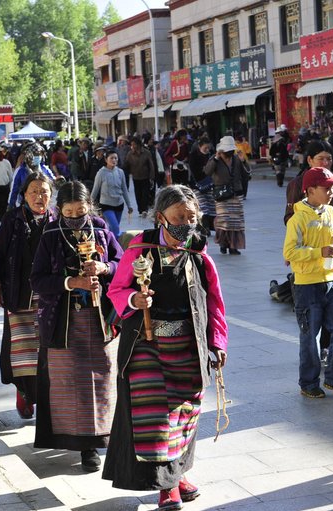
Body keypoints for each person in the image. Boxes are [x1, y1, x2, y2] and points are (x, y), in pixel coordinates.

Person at [103, 184, 228, 510]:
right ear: (161, 218)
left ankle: (177, 474)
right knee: (156, 420)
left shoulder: (199, 256)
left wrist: (217, 341)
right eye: (178, 217)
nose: (185, 223)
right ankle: (166, 489)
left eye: (191, 217)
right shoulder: (139, 250)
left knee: (183, 418)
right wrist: (134, 298)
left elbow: (214, 304)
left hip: (187, 348)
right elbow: (116, 291)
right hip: (147, 348)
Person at [29, 181, 122, 472]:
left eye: (80, 211)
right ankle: (84, 447)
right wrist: (71, 282)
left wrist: (105, 268)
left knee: (103, 378)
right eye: (68, 211)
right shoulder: (52, 233)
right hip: (63, 322)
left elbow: (122, 262)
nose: (75, 216)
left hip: (100, 319)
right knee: (72, 383)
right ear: (59, 210)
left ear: (89, 207)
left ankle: (104, 437)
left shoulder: (101, 228)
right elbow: (38, 279)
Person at [0, 173, 56, 421]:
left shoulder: (57, 219)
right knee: (22, 351)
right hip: (19, 294)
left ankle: (48, 398)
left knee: (48, 349)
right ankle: (24, 393)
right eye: (33, 191)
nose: (39, 196)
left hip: (50, 296)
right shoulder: (13, 219)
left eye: (44, 191)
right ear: (24, 195)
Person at [283, 167, 333, 398]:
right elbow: (290, 251)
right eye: (327, 188)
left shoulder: (332, 213)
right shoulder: (297, 218)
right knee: (310, 336)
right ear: (310, 190)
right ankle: (309, 383)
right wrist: (318, 252)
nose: (331, 192)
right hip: (306, 285)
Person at [203, 135, 246, 255]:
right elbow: (207, 171)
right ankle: (223, 244)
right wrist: (216, 158)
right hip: (221, 194)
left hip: (236, 193)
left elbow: (246, 174)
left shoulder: (236, 158)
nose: (229, 153)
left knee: (236, 222)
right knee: (223, 221)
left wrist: (244, 162)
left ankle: (233, 246)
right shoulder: (215, 159)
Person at [91, 149, 133, 238]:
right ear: (106, 160)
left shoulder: (120, 172)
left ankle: (109, 243)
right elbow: (95, 190)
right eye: (111, 158)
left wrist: (129, 205)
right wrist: (89, 204)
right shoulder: (101, 173)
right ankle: (116, 249)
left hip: (119, 204)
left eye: (116, 158)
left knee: (113, 229)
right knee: (115, 227)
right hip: (106, 205)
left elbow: (124, 189)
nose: (114, 160)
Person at [8, 142, 56, 209]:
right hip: (25, 204)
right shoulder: (21, 171)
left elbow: (54, 180)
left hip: (42, 202)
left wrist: (58, 181)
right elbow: (14, 190)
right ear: (29, 156)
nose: (38, 157)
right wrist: (11, 205)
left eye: (39, 155)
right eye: (35, 155)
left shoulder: (44, 168)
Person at [123, 137, 155, 217]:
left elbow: (151, 165)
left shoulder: (146, 152)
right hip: (135, 177)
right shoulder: (130, 154)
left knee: (145, 194)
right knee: (138, 194)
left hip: (145, 176)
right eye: (131, 144)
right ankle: (140, 210)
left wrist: (152, 177)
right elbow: (126, 165)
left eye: (134, 144)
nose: (132, 146)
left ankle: (145, 210)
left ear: (138, 144)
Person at [189, 137, 214, 232]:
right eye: (205, 148)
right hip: (197, 185)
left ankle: (210, 227)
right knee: (203, 206)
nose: (207, 150)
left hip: (209, 184)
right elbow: (194, 172)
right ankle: (205, 228)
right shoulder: (193, 155)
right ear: (199, 146)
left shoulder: (211, 155)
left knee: (211, 206)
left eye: (209, 148)